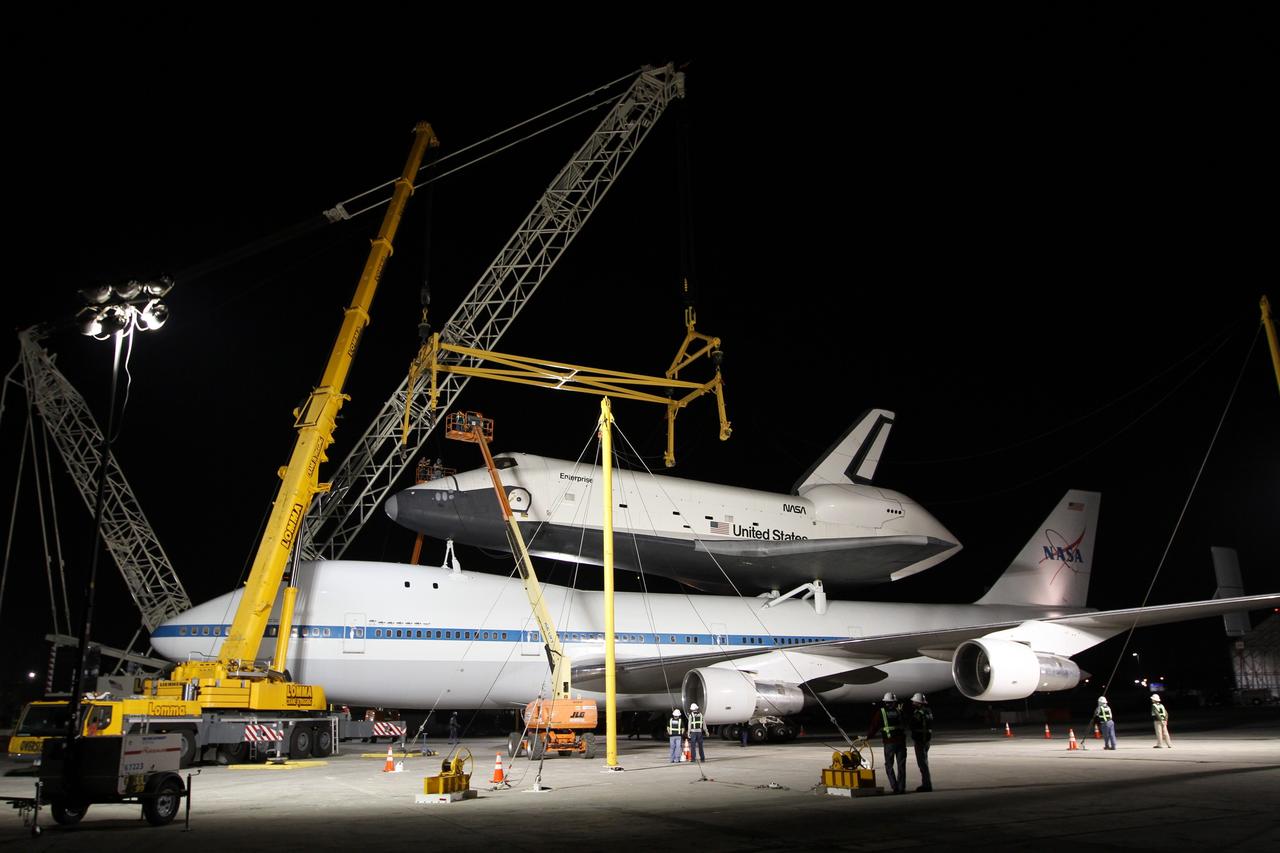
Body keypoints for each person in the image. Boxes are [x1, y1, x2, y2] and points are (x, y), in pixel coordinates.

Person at [867, 692, 907, 794]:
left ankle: (895, 787)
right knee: (901, 766)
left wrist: (867, 737)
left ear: (885, 702)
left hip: (889, 743)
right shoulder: (899, 711)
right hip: (901, 742)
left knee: (889, 765)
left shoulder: (881, 712)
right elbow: (904, 723)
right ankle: (901, 788)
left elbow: (874, 726)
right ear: (894, 702)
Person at [909, 692, 933, 792]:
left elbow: (912, 725)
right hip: (927, 740)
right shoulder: (928, 711)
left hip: (920, 741)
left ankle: (926, 785)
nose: (913, 704)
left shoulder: (918, 714)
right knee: (925, 762)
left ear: (919, 703)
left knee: (922, 764)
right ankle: (926, 784)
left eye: (914, 702)